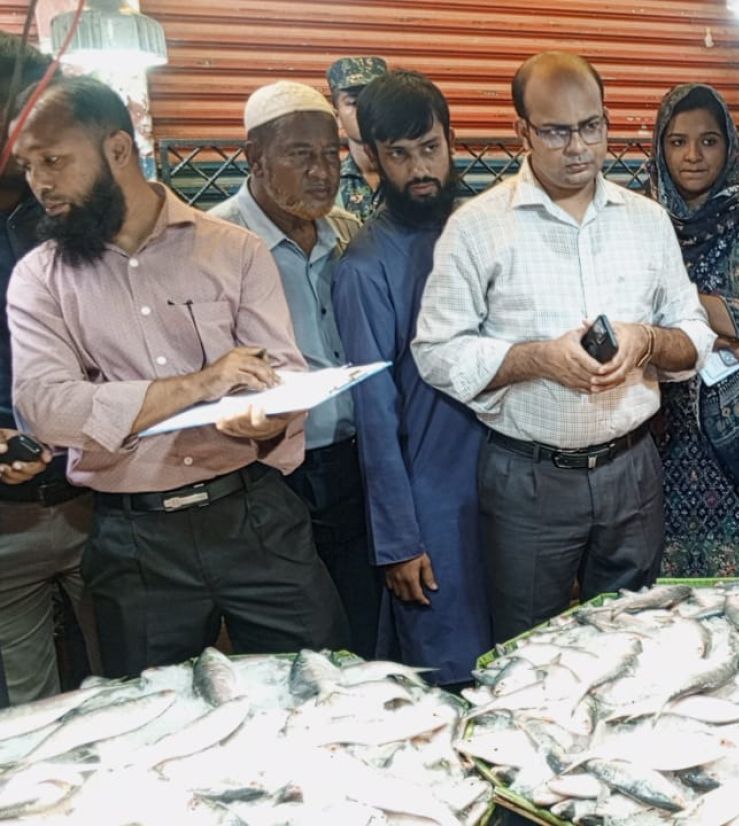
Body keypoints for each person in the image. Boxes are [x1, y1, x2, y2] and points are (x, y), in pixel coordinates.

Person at [7, 76, 348, 677]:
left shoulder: (234, 250)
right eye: (30, 165)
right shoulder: (41, 278)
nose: (40, 183)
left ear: (117, 150)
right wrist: (201, 384)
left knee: (318, 681)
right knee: (152, 717)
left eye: (54, 160)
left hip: (253, 514)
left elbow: (282, 376)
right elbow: (46, 408)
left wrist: (262, 415)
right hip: (133, 538)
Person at [413, 52, 715, 644]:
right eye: (556, 131)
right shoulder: (477, 227)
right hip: (528, 479)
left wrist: (646, 341)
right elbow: (436, 351)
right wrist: (537, 358)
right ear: (522, 130)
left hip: (632, 471)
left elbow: (695, 335)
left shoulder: (646, 220)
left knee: (631, 640)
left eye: (592, 126)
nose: (579, 147)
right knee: (531, 647)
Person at [332, 70, 492, 685]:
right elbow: (374, 414)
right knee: (448, 673)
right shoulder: (366, 266)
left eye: (429, 148)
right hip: (434, 505)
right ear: (372, 157)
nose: (419, 168)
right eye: (399, 154)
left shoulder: (488, 229)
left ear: (451, 141)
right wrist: (398, 540)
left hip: (512, 487)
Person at [211, 81, 378, 658]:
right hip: (269, 474)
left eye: (330, 153)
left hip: (353, 463)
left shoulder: (346, 234)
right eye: (300, 154)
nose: (322, 171)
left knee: (363, 619)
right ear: (254, 158)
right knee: (298, 637)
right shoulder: (216, 244)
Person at [0, 34, 99, 705]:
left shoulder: (82, 220)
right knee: (28, 728)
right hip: (7, 530)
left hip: (103, 507)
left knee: (132, 698)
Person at [649, 83, 739, 579]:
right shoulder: (641, 223)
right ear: (660, 147)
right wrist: (728, 338)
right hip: (664, 430)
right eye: (677, 142)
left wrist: (684, 312)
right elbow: (637, 320)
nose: (693, 156)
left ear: (730, 145)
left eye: (708, 140)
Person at [328, 56, 388, 222]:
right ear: (337, 115)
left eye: (374, 100)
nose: (365, 111)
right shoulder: (328, 186)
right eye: (354, 102)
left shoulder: (409, 176)